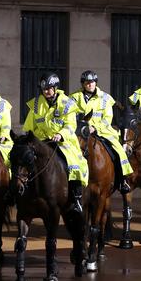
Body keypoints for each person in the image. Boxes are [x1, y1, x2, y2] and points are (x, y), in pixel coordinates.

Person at [22, 72, 89, 213]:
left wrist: (60, 134)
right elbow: (29, 127)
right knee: (23, 161)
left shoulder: (67, 103)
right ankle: (22, 194)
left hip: (63, 142)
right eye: (44, 89)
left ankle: (76, 199)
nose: (46, 91)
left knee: (74, 164)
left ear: (55, 88)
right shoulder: (35, 104)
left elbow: (71, 126)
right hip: (41, 142)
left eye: (49, 88)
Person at [70, 70, 133, 193]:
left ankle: (122, 180)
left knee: (119, 150)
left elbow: (107, 119)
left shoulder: (105, 98)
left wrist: (95, 127)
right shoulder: (73, 97)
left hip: (103, 131)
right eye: (87, 82)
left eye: (92, 82)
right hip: (79, 131)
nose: (90, 85)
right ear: (83, 84)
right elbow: (70, 116)